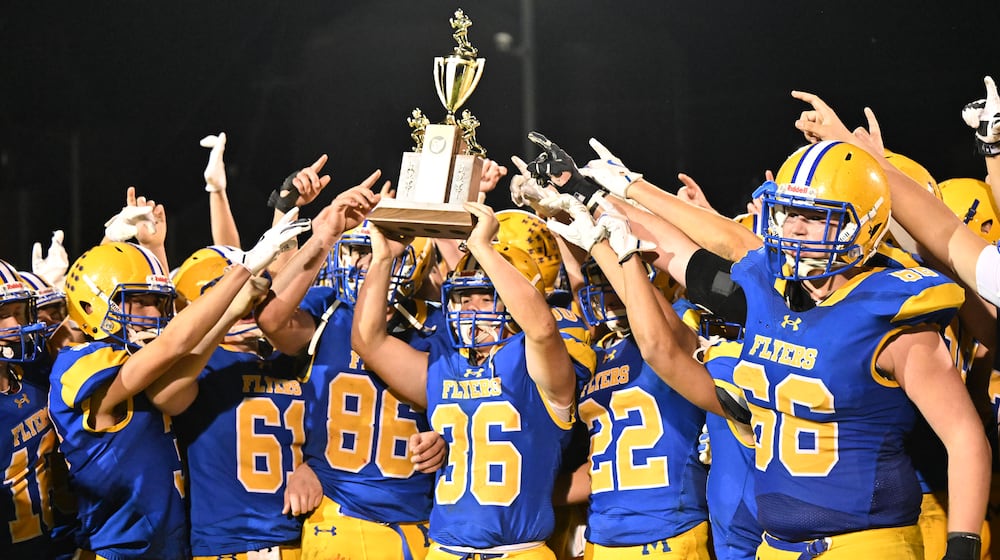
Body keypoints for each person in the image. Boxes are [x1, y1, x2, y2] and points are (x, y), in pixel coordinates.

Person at [48, 209, 306, 559]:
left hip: (169, 544)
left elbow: (185, 348)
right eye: (139, 302)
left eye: (157, 303)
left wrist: (231, 310)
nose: (154, 315)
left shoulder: (136, 353)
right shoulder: (81, 363)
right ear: (96, 305)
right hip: (117, 549)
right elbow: (176, 343)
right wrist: (243, 269)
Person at [352, 200, 594, 559]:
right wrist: (384, 258)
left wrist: (481, 246)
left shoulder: (536, 367)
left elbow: (542, 330)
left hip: (520, 551)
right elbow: (368, 341)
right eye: (465, 298)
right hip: (445, 551)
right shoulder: (445, 364)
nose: (472, 310)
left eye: (487, 298)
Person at [254, 174, 447, 560]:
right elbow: (272, 320)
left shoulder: (437, 324)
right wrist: (323, 236)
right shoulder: (329, 309)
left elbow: (459, 405)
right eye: (354, 252)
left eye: (371, 252)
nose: (361, 264)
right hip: (339, 514)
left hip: (419, 521)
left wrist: (445, 443)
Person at [170, 244, 317, 559]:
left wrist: (315, 467)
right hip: (229, 543)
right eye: (232, 298)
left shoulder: (291, 358)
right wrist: (227, 315)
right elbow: (166, 396)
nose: (247, 306)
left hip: (301, 538)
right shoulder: (199, 366)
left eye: (252, 296)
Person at [0, 259, 66, 557]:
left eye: (18, 312)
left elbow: (79, 327)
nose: (14, 326)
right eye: (2, 316)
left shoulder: (33, 371)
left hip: (55, 540)